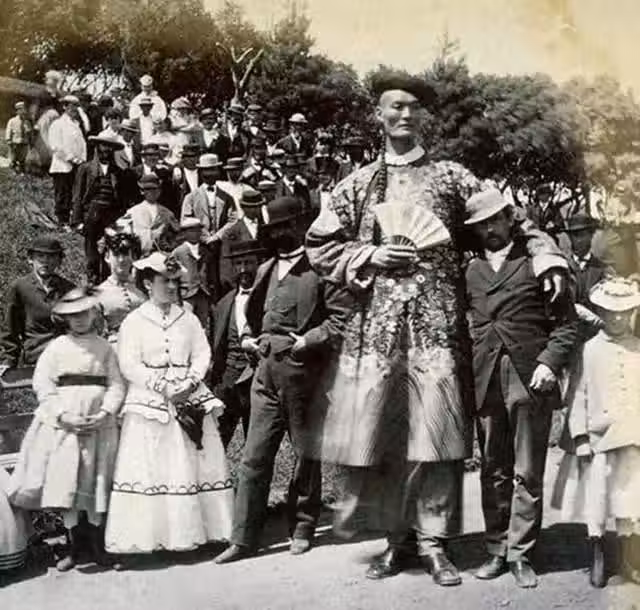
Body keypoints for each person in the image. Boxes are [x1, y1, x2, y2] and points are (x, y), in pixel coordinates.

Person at [304, 72, 569, 586]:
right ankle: (396, 541)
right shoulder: (358, 184)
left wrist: (546, 256)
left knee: (437, 438)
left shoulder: (451, 177)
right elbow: (320, 244)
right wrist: (369, 254)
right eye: (394, 106)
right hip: (378, 335)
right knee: (386, 440)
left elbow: (513, 219)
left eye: (413, 107)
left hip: (439, 332)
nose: (404, 115)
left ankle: (435, 544)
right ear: (378, 115)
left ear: (422, 116)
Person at [214, 196, 352, 564]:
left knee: (305, 455)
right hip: (265, 374)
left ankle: (303, 527)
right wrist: (254, 339)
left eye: (282, 227)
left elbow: (341, 321)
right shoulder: (265, 269)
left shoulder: (321, 268)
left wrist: (308, 340)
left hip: (304, 375)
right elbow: (253, 314)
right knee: (253, 457)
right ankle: (243, 538)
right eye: (272, 228)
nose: (276, 234)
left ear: (299, 226)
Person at [463, 189, 578, 588]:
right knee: (493, 468)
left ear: (510, 218)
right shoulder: (470, 270)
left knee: (527, 470)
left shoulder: (539, 263)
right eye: (481, 225)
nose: (490, 229)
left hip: (529, 375)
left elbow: (566, 326)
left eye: (495, 220)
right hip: (485, 378)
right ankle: (497, 548)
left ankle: (521, 553)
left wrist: (549, 363)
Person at [105, 252, 233, 559]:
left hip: (188, 395)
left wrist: (191, 381)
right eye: (166, 281)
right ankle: (154, 537)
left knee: (194, 462)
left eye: (176, 281)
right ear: (149, 284)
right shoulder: (134, 321)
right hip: (150, 400)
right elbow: (129, 362)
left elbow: (202, 354)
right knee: (154, 466)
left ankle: (200, 533)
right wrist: (161, 386)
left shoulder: (188, 318)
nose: (173, 287)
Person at [8, 287, 125, 571]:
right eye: (73, 315)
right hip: (65, 426)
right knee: (69, 480)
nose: (79, 319)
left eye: (84, 313)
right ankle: (74, 546)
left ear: (93, 314)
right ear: (65, 319)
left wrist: (105, 412)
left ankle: (97, 544)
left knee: (95, 480)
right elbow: (43, 385)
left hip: (99, 424)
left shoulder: (105, 348)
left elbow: (116, 384)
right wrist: (63, 415)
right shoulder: (56, 348)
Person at [552, 278, 640, 587]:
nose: (617, 318)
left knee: (629, 495)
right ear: (601, 312)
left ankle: (628, 557)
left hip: (633, 435)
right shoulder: (590, 350)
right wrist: (581, 438)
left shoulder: (638, 348)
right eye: (611, 312)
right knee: (598, 496)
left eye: (624, 312)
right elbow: (579, 395)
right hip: (601, 437)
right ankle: (598, 554)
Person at [211, 240, 265, 448]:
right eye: (238, 264)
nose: (243, 269)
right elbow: (218, 345)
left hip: (258, 376)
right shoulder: (224, 303)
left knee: (256, 443)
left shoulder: (270, 297)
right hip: (230, 376)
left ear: (258, 263)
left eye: (248, 263)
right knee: (217, 438)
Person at [0, 237, 75, 372]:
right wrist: (8, 360)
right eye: (40, 256)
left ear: (59, 261)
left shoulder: (69, 289)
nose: (45, 261)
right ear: (31, 259)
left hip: (66, 359)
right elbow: (10, 329)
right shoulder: (20, 288)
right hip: (35, 360)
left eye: (51, 257)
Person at [71, 133, 133, 284]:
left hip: (111, 217)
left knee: (110, 249)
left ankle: (107, 282)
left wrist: (121, 218)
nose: (106, 150)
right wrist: (77, 221)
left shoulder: (118, 172)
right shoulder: (85, 169)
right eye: (103, 146)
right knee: (92, 252)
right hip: (91, 215)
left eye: (109, 147)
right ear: (97, 147)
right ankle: (92, 281)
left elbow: (122, 199)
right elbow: (78, 196)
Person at [95, 231, 146, 346]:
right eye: (116, 255)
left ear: (133, 257)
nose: (121, 260)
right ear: (107, 257)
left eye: (126, 254)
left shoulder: (144, 288)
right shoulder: (98, 293)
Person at [48, 95, 87, 229]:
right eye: (71, 106)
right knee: (62, 194)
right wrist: (71, 158)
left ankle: (73, 219)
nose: (74, 109)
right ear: (64, 107)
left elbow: (82, 144)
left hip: (76, 165)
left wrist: (82, 160)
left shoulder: (76, 125)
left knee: (74, 193)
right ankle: (62, 221)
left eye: (76, 106)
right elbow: (56, 146)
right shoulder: (58, 124)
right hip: (62, 165)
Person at [119, 173, 179, 256]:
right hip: (139, 256)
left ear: (160, 191)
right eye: (148, 189)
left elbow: (178, 234)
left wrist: (170, 245)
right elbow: (117, 231)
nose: (152, 192)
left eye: (155, 189)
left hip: (161, 257)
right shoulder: (133, 212)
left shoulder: (167, 213)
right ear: (142, 191)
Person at [171, 217, 212, 330]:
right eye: (192, 230)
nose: (196, 233)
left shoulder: (206, 251)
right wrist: (176, 300)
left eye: (198, 230)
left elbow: (211, 274)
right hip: (186, 294)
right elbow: (172, 277)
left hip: (203, 293)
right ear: (185, 233)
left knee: (203, 325)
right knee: (186, 323)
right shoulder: (178, 252)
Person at [5, 101, 33, 173]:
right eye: (20, 110)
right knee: (14, 157)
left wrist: (29, 134)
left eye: (23, 110)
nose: (22, 112)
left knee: (22, 157)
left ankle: (22, 169)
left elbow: (30, 133)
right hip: (15, 142)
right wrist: (8, 139)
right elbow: (8, 130)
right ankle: (13, 168)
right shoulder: (12, 121)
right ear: (17, 111)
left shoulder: (27, 122)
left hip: (24, 142)